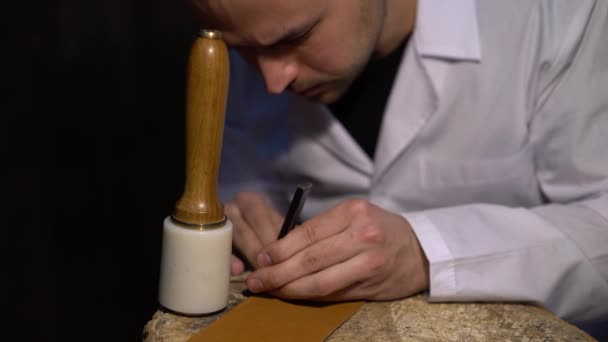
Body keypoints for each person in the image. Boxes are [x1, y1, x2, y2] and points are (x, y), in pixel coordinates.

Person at [192, 0, 608, 323]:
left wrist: (424, 254)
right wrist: (238, 224)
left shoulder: (556, 17)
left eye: (295, 37)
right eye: (241, 49)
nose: (273, 81)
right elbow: (241, 186)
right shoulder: (253, 49)